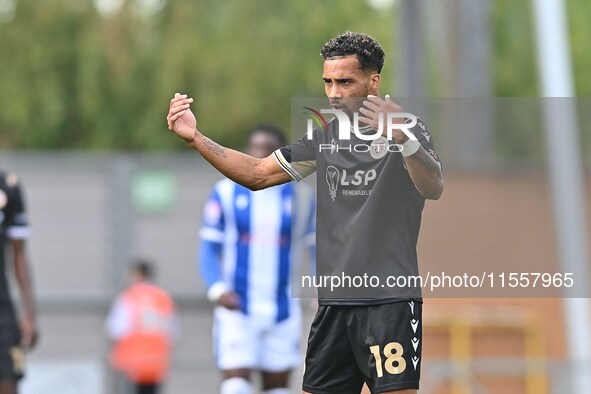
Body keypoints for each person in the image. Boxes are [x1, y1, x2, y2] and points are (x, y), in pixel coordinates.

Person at [167, 31, 443, 394]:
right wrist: (196, 139)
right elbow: (257, 173)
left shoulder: (407, 128)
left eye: (345, 81)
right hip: (334, 304)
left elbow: (432, 186)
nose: (334, 93)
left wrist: (403, 140)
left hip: (387, 300)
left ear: (373, 81)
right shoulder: (325, 137)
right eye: (328, 82)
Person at [199, 124, 316, 394]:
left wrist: (321, 290)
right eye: (256, 148)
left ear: (281, 154)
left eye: (268, 149)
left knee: (277, 389)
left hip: (282, 308)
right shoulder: (225, 192)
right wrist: (216, 287)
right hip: (238, 308)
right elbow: (208, 246)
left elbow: (316, 247)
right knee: (236, 385)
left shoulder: (302, 197)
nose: (260, 154)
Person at [105, 260, 179, 394]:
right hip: (156, 362)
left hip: (132, 363)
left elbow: (116, 329)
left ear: (138, 275)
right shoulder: (162, 297)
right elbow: (172, 331)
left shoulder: (129, 296)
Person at [0, 170, 38, 394]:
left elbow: (20, 256)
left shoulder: (8, 187)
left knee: (8, 380)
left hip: (2, 309)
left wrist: (29, 314)